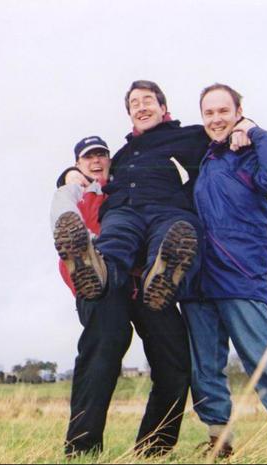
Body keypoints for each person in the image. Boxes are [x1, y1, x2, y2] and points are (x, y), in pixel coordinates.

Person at [181, 83, 267, 457]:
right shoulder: (202, 159)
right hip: (197, 281)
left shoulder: (250, 153)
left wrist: (256, 131)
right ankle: (219, 440)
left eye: (224, 111)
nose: (216, 118)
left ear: (238, 110)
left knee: (261, 356)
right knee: (204, 367)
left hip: (238, 273)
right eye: (209, 113)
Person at [50, 135, 193, 458]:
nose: (97, 161)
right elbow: (63, 230)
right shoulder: (75, 195)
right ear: (77, 165)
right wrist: (70, 181)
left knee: (176, 359)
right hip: (99, 285)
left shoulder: (124, 192)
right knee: (106, 343)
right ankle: (83, 448)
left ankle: (154, 449)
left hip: (143, 283)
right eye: (89, 158)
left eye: (102, 155)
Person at [54, 81, 212, 312]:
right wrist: (69, 173)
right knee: (114, 241)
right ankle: (97, 272)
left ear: (163, 107)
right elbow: (95, 179)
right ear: (130, 114)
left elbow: (223, 130)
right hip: (124, 210)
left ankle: (161, 281)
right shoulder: (122, 156)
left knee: (173, 238)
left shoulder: (191, 136)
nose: (141, 108)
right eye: (134, 104)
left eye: (147, 101)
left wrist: (245, 128)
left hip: (168, 208)